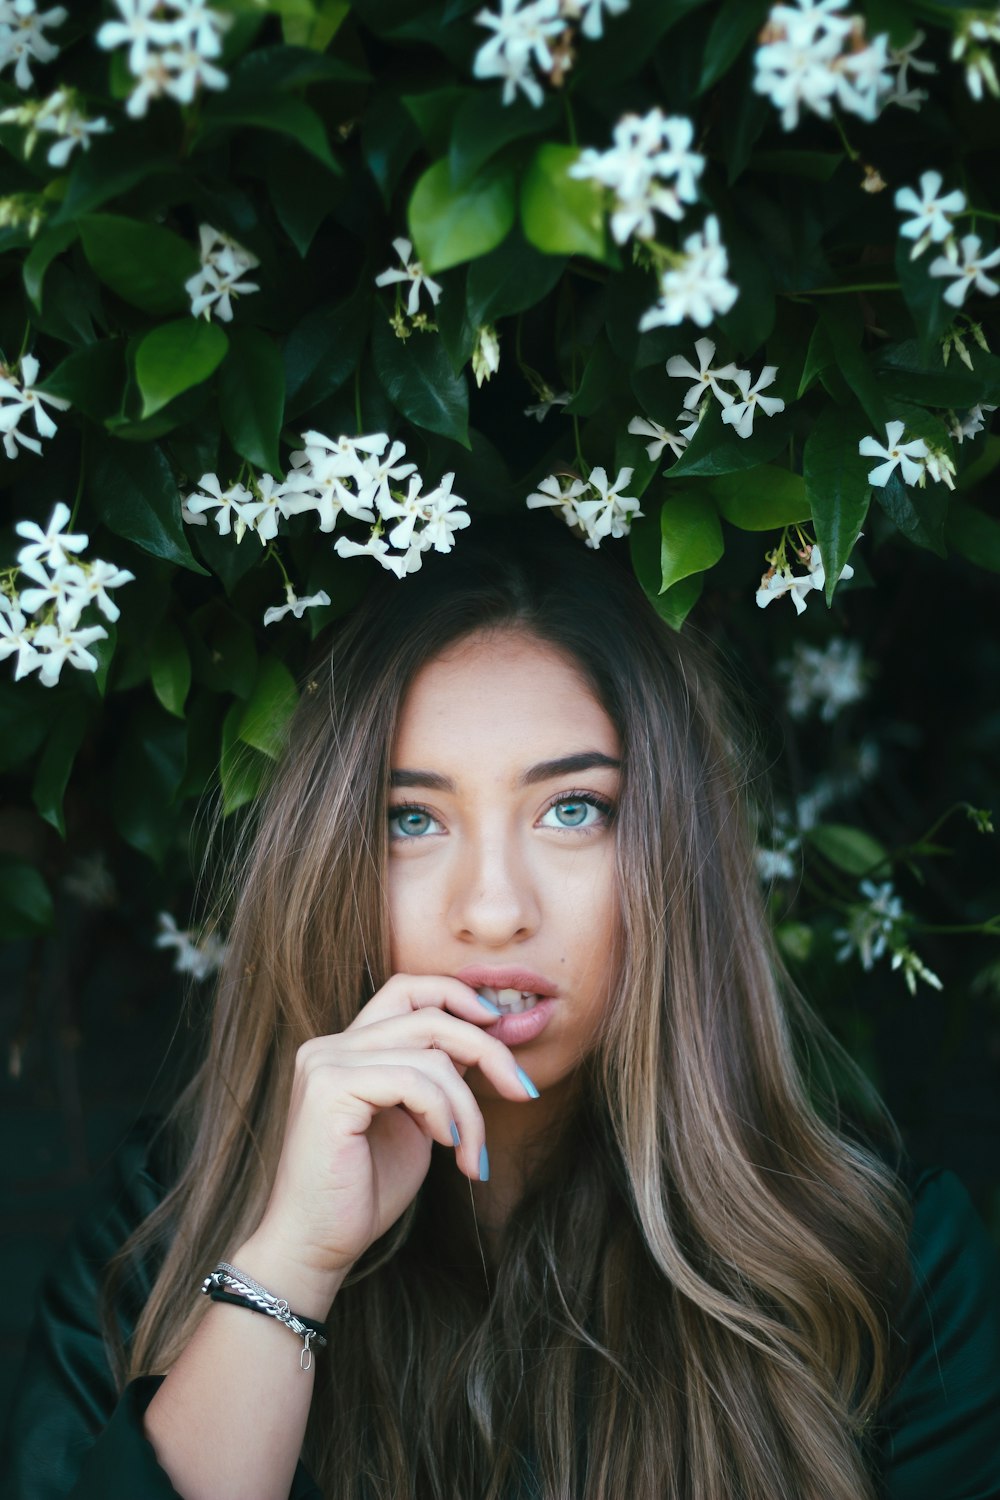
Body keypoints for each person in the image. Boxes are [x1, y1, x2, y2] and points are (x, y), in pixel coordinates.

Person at [3, 514, 1000, 1500]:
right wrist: (291, 1264)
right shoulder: (165, 1241)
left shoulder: (884, 1270)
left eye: (573, 811)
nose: (490, 911)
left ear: (673, 855)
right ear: (331, 860)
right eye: (411, 820)